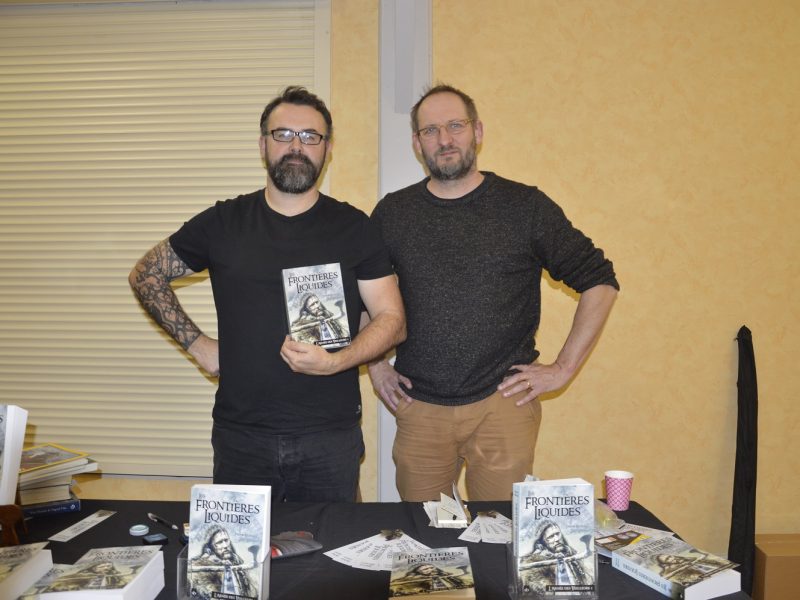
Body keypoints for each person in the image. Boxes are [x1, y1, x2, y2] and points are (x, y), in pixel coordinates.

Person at [129, 86, 405, 502]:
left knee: (332, 544)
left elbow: (392, 320)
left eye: (310, 136)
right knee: (241, 548)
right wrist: (198, 345)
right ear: (263, 145)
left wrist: (337, 361)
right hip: (242, 438)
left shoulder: (354, 227)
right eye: (283, 134)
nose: (296, 146)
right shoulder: (223, 222)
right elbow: (146, 274)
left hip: (329, 438)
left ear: (327, 149)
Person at [368, 84, 618, 501]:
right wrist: (376, 366)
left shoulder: (525, 207)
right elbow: (363, 292)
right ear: (416, 142)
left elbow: (600, 280)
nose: (444, 139)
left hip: (503, 404)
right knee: (424, 535)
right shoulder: (393, 213)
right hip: (420, 408)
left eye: (455, 126)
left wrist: (563, 368)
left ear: (477, 131)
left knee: (501, 530)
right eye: (430, 130)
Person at [518, 520, 593, 592]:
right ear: (542, 542)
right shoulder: (534, 564)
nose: (557, 539)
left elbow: (586, 580)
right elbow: (542, 592)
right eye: (551, 537)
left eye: (557, 534)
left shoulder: (571, 553)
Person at [188, 526, 257, 599]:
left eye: (226, 540)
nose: (225, 545)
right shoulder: (202, 568)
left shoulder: (236, 561)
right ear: (210, 547)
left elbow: (250, 592)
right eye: (219, 542)